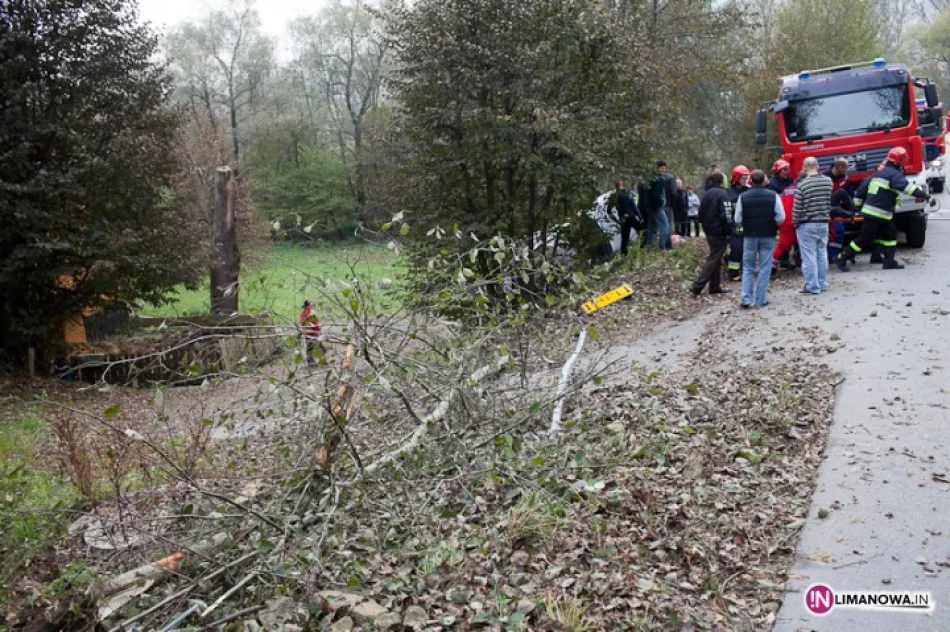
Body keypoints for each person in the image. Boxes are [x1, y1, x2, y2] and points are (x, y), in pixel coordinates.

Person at [837, 147, 930, 271]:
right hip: (877, 213)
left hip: (880, 213)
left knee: (890, 234)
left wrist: (857, 208)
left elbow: (862, 192)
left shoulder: (883, 172)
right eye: (903, 159)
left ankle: (889, 261)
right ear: (898, 160)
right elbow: (908, 189)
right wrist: (926, 196)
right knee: (864, 238)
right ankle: (843, 257)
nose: (904, 162)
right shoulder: (894, 174)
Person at [735, 170, 785, 308]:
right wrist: (771, 222)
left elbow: (737, 219)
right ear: (764, 180)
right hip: (768, 234)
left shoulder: (743, 197)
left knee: (748, 267)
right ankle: (761, 299)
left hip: (750, 235)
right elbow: (781, 217)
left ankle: (746, 298)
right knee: (765, 267)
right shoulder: (773, 196)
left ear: (751, 180)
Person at [689, 172, 733, 296]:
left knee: (716, 257)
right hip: (719, 232)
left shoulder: (707, 194)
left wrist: (705, 227)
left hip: (709, 231)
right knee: (714, 258)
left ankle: (715, 286)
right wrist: (729, 230)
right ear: (722, 182)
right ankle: (697, 286)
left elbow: (701, 214)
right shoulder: (724, 194)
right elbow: (727, 215)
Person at [793, 157, 833, 293]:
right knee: (821, 254)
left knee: (809, 256)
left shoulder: (802, 185)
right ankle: (823, 283)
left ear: (804, 167)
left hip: (807, 223)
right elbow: (828, 202)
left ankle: (812, 286)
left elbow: (797, 208)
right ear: (817, 166)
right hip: (823, 222)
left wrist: (795, 222)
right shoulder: (828, 182)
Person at [768, 159, 798, 275]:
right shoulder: (772, 184)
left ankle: (785, 260)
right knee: (784, 241)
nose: (786, 172)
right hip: (779, 214)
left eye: (787, 170)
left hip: (790, 213)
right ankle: (774, 263)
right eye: (783, 170)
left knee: (790, 240)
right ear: (777, 171)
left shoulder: (790, 181)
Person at [824, 157, 855, 263]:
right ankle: (828, 255)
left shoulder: (844, 177)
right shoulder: (825, 177)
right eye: (846, 168)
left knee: (839, 231)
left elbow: (848, 191)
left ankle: (834, 254)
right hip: (825, 209)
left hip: (838, 209)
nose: (847, 170)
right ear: (839, 167)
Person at [637, 160, 672, 250]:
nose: (663, 170)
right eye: (661, 168)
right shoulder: (656, 179)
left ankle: (649, 246)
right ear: (657, 168)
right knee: (665, 226)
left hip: (649, 207)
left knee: (652, 227)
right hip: (656, 207)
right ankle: (662, 247)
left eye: (664, 168)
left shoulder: (651, 178)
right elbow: (655, 195)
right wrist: (661, 203)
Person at [725, 165, 750, 281]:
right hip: (734, 227)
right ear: (736, 178)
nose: (745, 180)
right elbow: (726, 211)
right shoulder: (728, 192)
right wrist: (730, 226)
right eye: (743, 178)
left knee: (747, 251)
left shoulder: (749, 191)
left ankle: (746, 272)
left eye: (746, 177)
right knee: (736, 250)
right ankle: (733, 273)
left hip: (747, 226)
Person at [606, 177, 643, 255]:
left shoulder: (614, 196)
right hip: (631, 217)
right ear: (622, 184)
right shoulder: (627, 193)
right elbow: (634, 206)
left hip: (622, 219)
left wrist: (616, 220)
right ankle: (642, 248)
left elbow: (608, 211)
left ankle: (624, 254)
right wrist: (640, 217)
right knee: (641, 231)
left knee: (625, 238)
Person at [300, 300, 324, 365]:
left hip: (307, 332)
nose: (312, 306)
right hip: (313, 332)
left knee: (309, 347)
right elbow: (315, 322)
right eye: (311, 305)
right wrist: (317, 331)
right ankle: (322, 361)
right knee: (318, 346)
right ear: (308, 306)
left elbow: (303, 323)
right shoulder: (310, 312)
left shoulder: (302, 314)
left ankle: (310, 362)